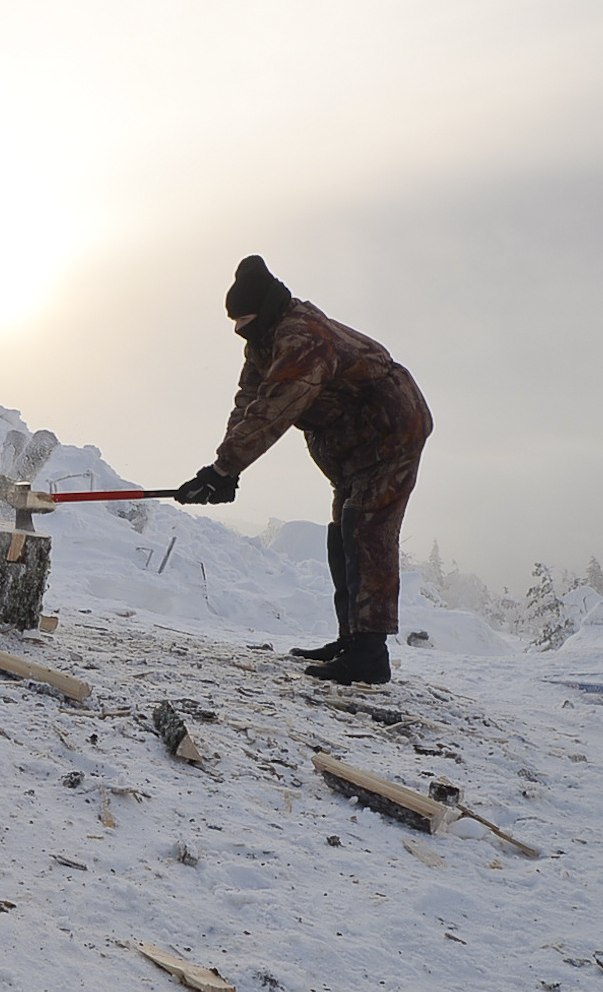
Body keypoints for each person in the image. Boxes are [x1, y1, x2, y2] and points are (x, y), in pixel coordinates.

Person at [176, 255, 432, 685]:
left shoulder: (302, 338)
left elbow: (277, 406)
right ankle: (351, 638)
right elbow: (249, 403)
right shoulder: (264, 339)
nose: (239, 330)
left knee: (367, 532)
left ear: (263, 310)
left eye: (244, 320)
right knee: (344, 533)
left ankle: (371, 654)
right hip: (351, 444)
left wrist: (223, 470)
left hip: (391, 432)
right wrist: (223, 468)